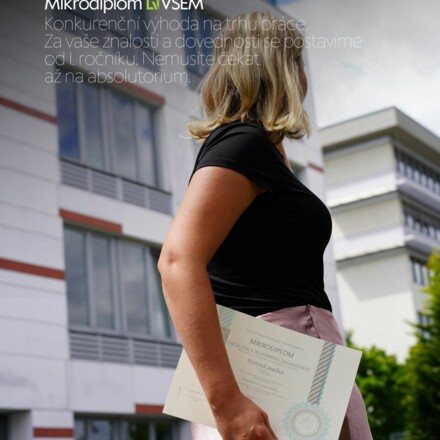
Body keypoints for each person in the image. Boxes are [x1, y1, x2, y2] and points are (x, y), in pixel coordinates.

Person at [158, 11, 373, 440]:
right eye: (298, 62)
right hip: (284, 368)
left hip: (277, 370)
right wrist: (227, 403)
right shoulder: (246, 143)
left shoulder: (258, 150)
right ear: (283, 69)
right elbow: (177, 261)